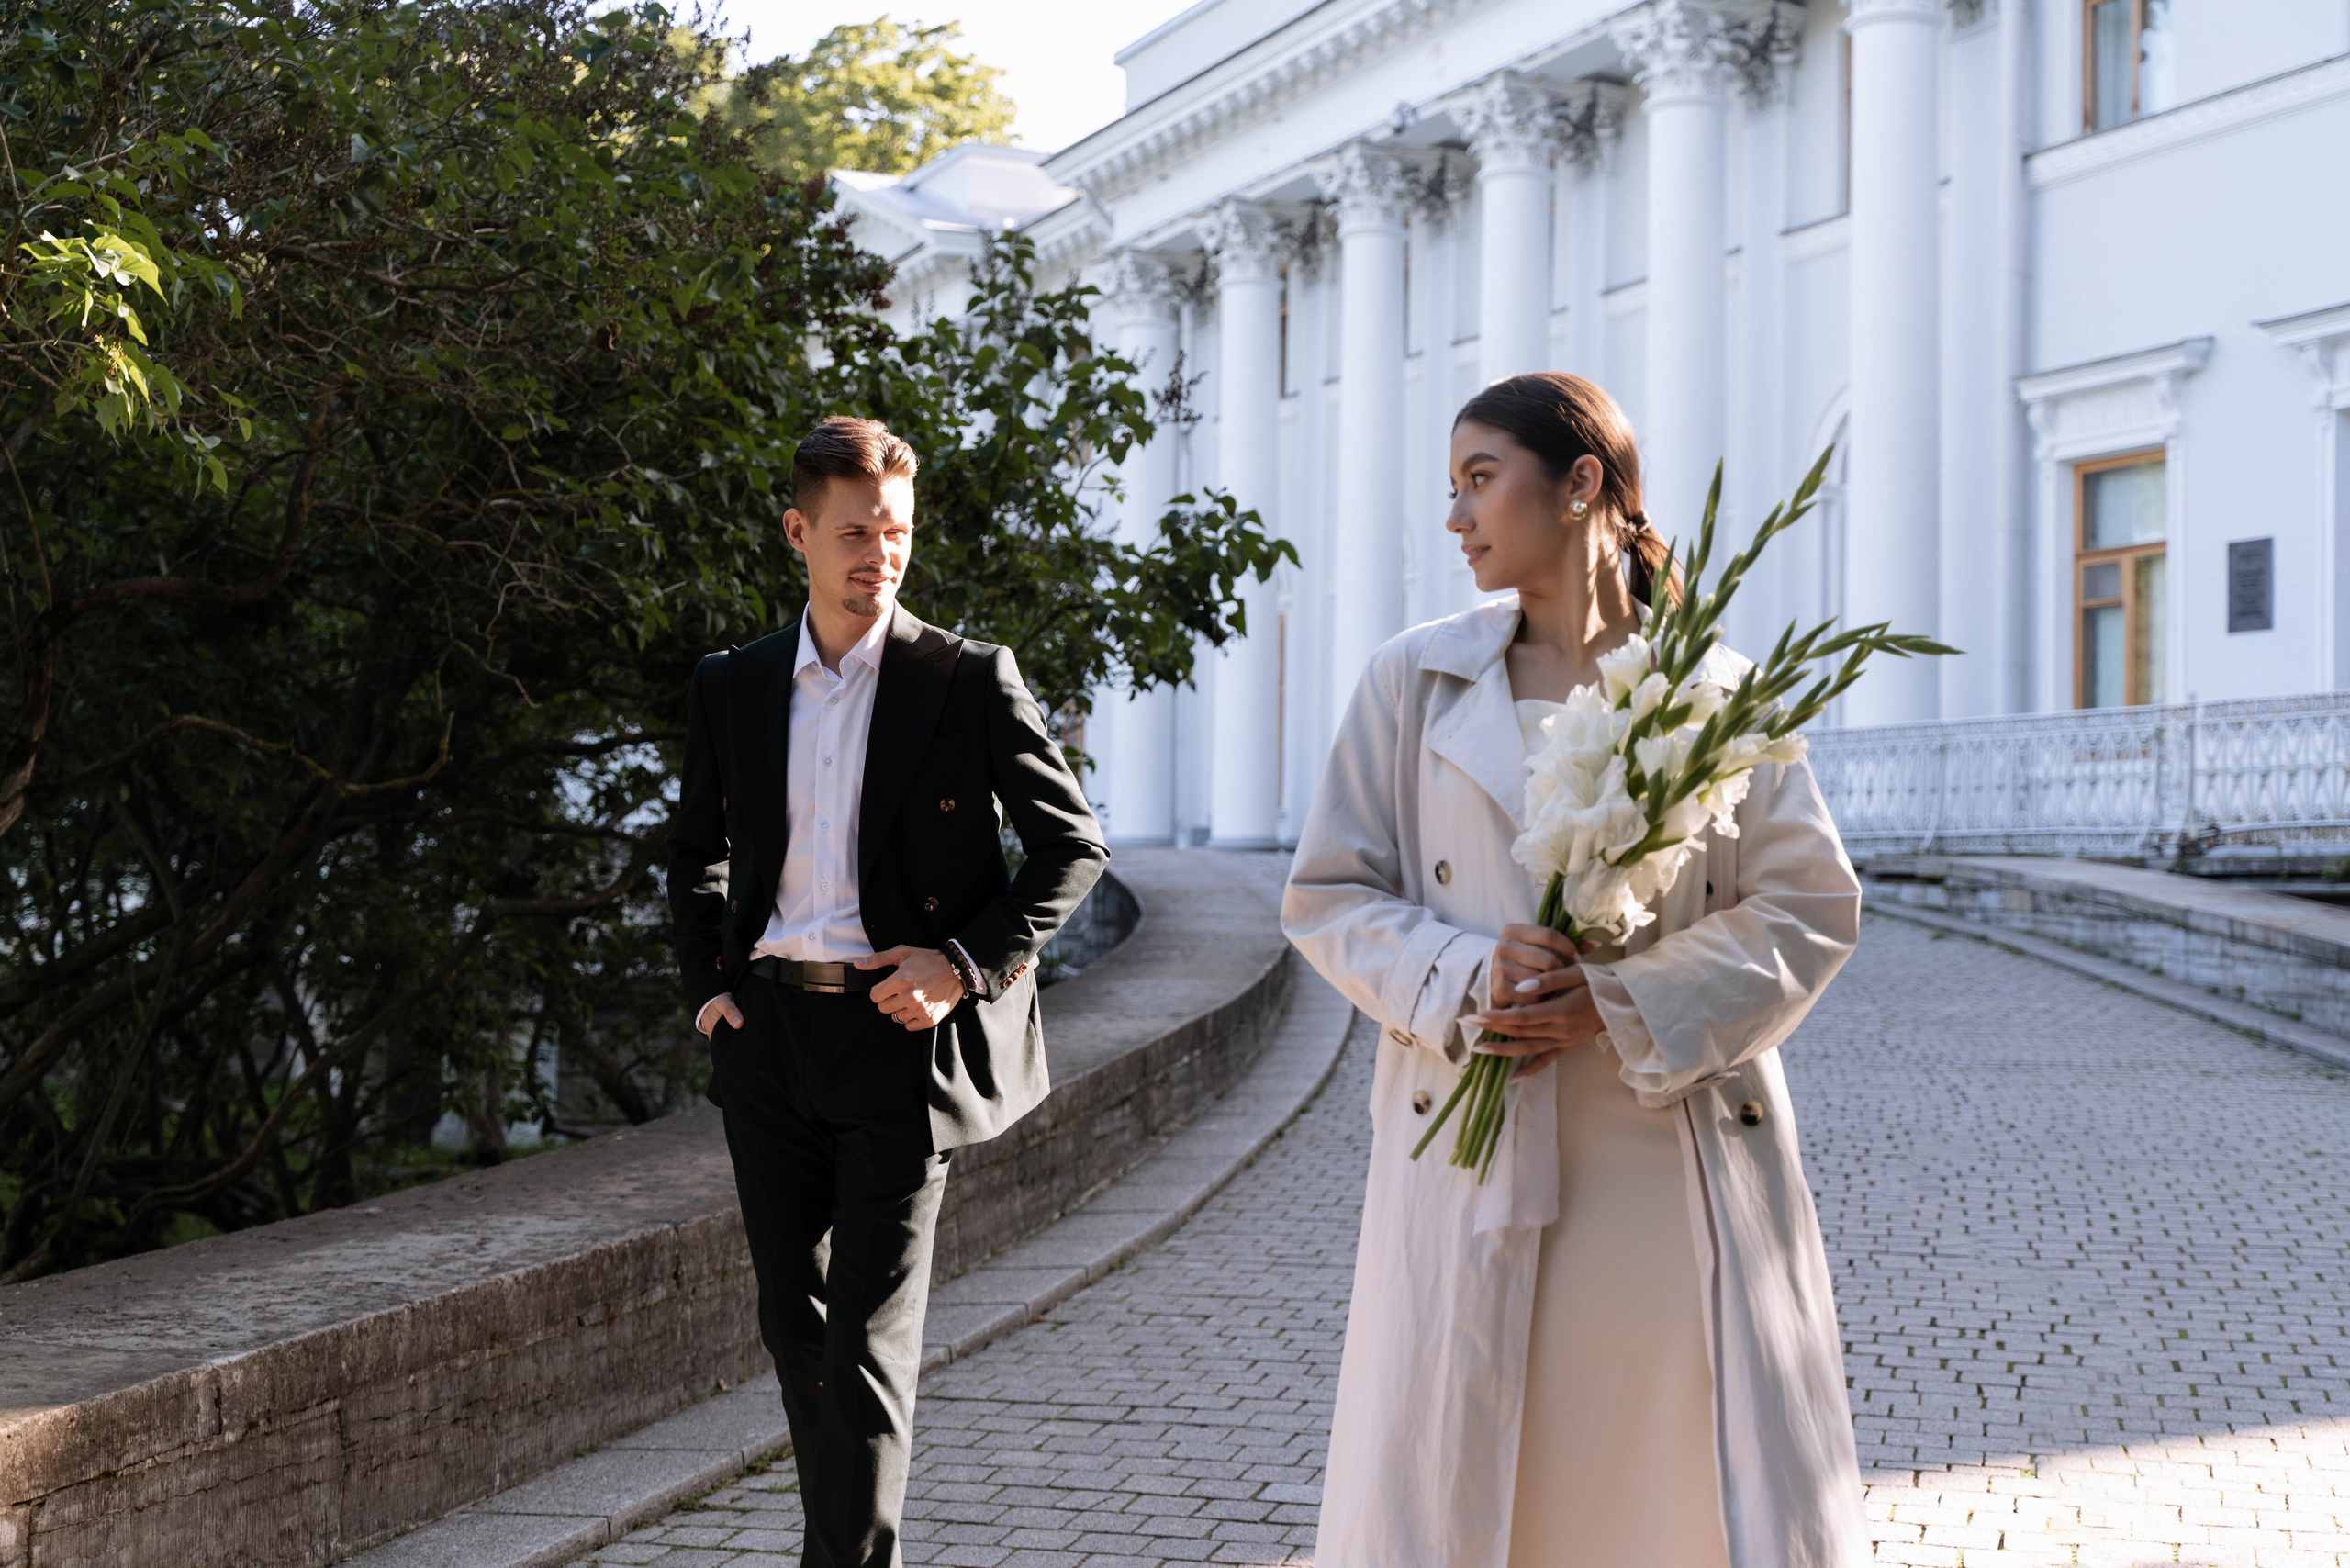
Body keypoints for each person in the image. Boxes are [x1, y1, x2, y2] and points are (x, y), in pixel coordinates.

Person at [1282, 374, 1867, 1567]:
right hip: (1473, 1142)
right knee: (1472, 1481)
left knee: (1667, 1484)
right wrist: (1460, 978)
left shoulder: (1714, 692)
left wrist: (1614, 1004)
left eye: (1480, 480)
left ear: (1583, 482)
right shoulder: (1413, 680)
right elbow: (1328, 895)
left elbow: (1812, 905)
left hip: (1667, 1160)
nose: (1456, 518)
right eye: (1452, 490)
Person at [666, 416, 1108, 1568]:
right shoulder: (736, 684)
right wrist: (707, 985)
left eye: (898, 532)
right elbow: (695, 855)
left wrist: (960, 965)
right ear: (798, 532)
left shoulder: (963, 680)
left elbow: (1072, 846)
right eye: (856, 531)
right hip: (768, 1038)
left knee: (863, 1337)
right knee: (793, 1324)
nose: (881, 553)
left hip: (895, 1039)